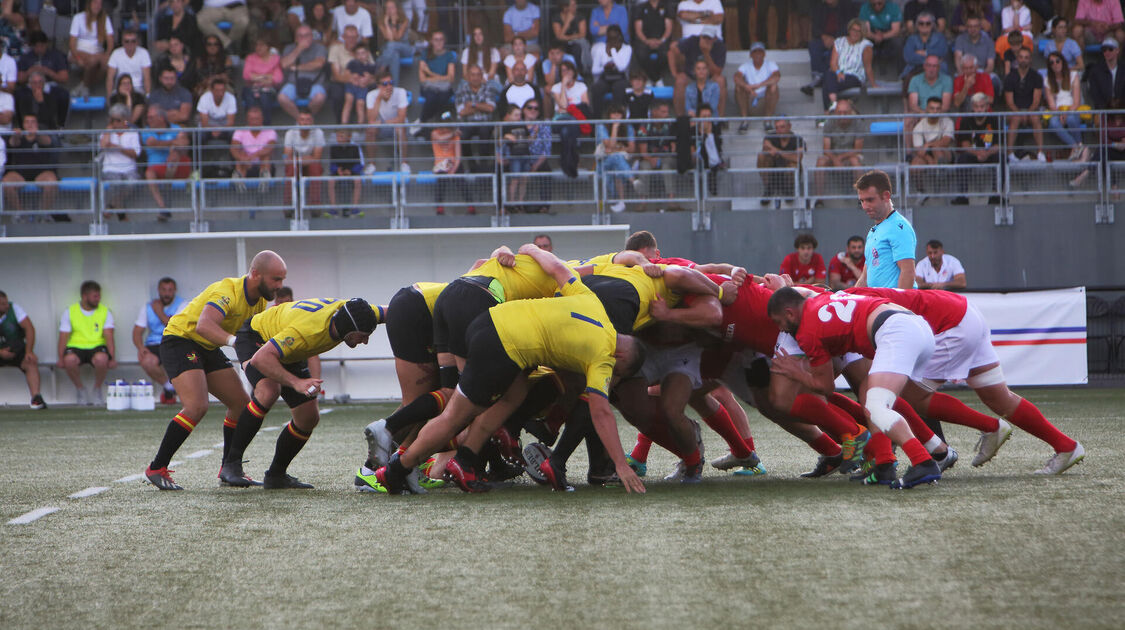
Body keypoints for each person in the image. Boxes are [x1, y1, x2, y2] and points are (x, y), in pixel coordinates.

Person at [374, 246, 647, 495]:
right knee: (457, 415)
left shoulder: (593, 303)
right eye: (618, 371)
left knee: (511, 396)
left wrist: (530, 248)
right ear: (621, 356)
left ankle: (465, 461)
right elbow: (600, 411)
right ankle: (397, 469)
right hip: (503, 344)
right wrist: (621, 465)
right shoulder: (604, 357)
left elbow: (557, 268)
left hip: (487, 320)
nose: (614, 374)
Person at [766, 287, 942, 489]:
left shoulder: (807, 330)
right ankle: (885, 464)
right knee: (873, 399)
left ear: (789, 313)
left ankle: (923, 461)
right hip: (914, 324)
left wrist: (796, 373)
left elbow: (826, 387)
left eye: (779, 322)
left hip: (895, 331)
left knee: (877, 406)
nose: (781, 329)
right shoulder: (822, 300)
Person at [143, 251, 287, 490]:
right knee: (197, 406)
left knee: (242, 406)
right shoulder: (227, 291)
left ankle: (229, 469)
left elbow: (253, 337)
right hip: (180, 340)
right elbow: (204, 325)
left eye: (282, 279)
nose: (280, 286)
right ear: (255, 274)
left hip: (207, 346)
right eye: (276, 279)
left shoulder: (261, 300)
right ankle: (157, 467)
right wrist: (234, 343)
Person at [221, 297, 381, 489]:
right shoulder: (308, 331)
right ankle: (231, 465)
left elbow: (391, 310)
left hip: (287, 349)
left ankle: (276, 475)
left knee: (308, 417)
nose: (365, 341)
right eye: (362, 335)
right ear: (349, 328)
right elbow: (261, 359)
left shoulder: (355, 312)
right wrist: (297, 383)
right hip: (257, 338)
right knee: (268, 391)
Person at [854, 169, 916, 291]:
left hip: (893, 307)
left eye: (870, 200)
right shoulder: (873, 231)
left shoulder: (899, 227)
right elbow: (865, 277)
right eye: (862, 201)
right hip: (881, 305)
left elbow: (908, 272)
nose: (865, 206)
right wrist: (849, 299)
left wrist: (898, 308)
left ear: (886, 196)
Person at [58, 280, 116, 406]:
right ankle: (80, 390)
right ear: (84, 296)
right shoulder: (70, 311)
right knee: (69, 360)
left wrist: (112, 357)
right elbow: (63, 336)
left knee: (102, 359)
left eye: (99, 296)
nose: (98, 299)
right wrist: (60, 358)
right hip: (76, 346)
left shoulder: (105, 311)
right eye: (95, 296)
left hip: (97, 345)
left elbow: (109, 336)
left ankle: (97, 389)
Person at [133, 277, 187, 405]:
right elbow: (136, 332)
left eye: (170, 290)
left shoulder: (183, 305)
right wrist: (141, 347)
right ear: (158, 290)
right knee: (146, 360)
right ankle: (169, 387)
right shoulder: (147, 307)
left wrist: (159, 311)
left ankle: (183, 392)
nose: (167, 293)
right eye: (163, 290)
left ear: (175, 291)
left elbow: (171, 324)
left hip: (175, 342)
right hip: (154, 344)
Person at [3, 114, 59, 219]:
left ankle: (43, 214)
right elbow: (13, 143)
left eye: (32, 122)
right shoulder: (18, 137)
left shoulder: (42, 136)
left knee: (52, 181)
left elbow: (47, 142)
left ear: (37, 124)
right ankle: (20, 213)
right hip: (20, 174)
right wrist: (16, 136)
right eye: (27, 122)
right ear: (23, 124)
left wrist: (36, 134)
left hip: (41, 173)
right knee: (6, 183)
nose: (30, 124)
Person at [952, 92, 1001, 205]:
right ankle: (963, 196)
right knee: (962, 159)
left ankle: (996, 194)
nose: (979, 109)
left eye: (982, 106)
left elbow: (998, 145)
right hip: (973, 154)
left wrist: (986, 154)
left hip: (990, 153)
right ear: (972, 107)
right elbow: (965, 145)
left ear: (987, 107)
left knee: (1002, 159)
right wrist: (978, 153)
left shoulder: (994, 120)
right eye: (977, 107)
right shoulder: (966, 120)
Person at [0, 290, 45, 409]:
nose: (6, 306)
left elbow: (29, 329)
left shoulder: (15, 308)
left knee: (30, 361)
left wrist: (29, 351)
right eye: (2, 304)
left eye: (6, 303)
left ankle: (36, 398)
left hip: (16, 348)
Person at [814, 98, 864, 203]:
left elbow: (858, 149)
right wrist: (835, 159)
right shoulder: (829, 123)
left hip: (851, 155)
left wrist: (840, 158)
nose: (842, 116)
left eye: (845, 113)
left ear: (850, 113)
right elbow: (826, 149)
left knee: (855, 161)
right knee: (821, 161)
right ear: (835, 112)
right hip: (833, 155)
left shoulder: (858, 123)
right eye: (839, 112)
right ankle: (819, 199)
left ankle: (861, 197)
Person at [142, 106, 190, 214]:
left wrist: (173, 148)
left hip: (176, 167)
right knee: (149, 173)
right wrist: (173, 142)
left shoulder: (176, 128)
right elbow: (152, 143)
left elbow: (184, 144)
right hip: (156, 168)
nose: (148, 120)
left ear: (161, 118)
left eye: (151, 118)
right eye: (148, 118)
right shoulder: (146, 131)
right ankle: (162, 207)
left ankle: (167, 186)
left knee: (176, 154)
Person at [802, 0, 855, 96]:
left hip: (841, 39)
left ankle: (825, 80)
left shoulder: (847, 6)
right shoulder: (819, 7)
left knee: (834, 51)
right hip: (824, 38)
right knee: (813, 45)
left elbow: (849, 27)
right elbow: (815, 27)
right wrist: (824, 36)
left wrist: (835, 39)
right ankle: (817, 77)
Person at [1003, 46, 1046, 162]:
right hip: (1014, 111)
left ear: (1030, 59)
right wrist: (1020, 113)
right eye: (1021, 57)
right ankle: (1010, 153)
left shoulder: (1036, 76)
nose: (1023, 60)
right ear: (1017, 59)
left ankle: (1040, 152)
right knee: (1016, 118)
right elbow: (1009, 102)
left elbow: (1036, 100)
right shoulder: (1010, 77)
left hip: (1031, 110)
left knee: (1036, 118)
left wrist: (1027, 113)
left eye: (1026, 58)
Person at [823, 18, 876, 111]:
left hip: (854, 77)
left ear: (862, 33)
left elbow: (868, 68)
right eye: (853, 30)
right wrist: (839, 73)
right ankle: (834, 104)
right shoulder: (839, 42)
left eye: (858, 31)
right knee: (829, 75)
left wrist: (873, 84)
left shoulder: (866, 45)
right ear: (849, 30)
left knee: (827, 81)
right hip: (838, 74)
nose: (855, 33)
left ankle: (829, 112)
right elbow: (833, 63)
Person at [1044, 51, 1088, 160]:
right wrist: (1060, 113)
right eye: (1052, 63)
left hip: (1072, 108)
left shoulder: (1073, 75)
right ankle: (1077, 146)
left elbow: (1076, 101)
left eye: (1057, 61)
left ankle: (1077, 148)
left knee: (1071, 119)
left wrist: (1066, 113)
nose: (1055, 64)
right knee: (1053, 123)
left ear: (1063, 62)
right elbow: (1051, 104)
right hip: (1057, 111)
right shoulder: (1047, 80)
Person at [363, 69, 409, 173]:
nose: (389, 86)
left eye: (391, 83)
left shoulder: (401, 92)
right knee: (370, 131)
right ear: (378, 85)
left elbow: (401, 119)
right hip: (382, 127)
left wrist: (382, 123)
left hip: (395, 125)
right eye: (385, 84)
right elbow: (371, 120)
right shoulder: (371, 95)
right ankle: (371, 164)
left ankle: (404, 163)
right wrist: (379, 99)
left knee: (399, 129)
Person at [100, 104, 141, 218]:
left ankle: (111, 205)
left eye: (117, 120)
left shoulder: (133, 133)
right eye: (112, 120)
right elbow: (103, 146)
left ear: (125, 120)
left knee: (132, 183)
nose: (114, 123)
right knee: (116, 184)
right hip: (111, 168)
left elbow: (135, 154)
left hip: (129, 168)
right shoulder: (106, 132)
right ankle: (122, 215)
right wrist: (108, 131)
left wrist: (119, 148)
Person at [278, 25, 328, 121]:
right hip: (293, 83)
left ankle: (307, 119)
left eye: (307, 35)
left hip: (315, 83)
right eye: (300, 36)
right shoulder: (289, 48)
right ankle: (301, 120)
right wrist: (298, 49)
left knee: (320, 98)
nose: (304, 38)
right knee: (282, 98)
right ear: (296, 38)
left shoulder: (319, 48)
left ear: (312, 37)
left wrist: (296, 68)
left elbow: (318, 64)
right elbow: (284, 64)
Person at [455, 64, 498, 173]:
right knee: (462, 135)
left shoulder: (488, 89)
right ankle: (472, 164)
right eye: (473, 75)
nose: (475, 77)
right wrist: (481, 106)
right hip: (467, 123)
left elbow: (491, 108)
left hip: (485, 123)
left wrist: (473, 105)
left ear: (482, 76)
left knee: (485, 132)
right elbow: (462, 111)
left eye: (478, 75)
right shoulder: (461, 90)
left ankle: (483, 164)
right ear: (468, 77)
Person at [670, 0, 724, 79]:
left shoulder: (715, 1)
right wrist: (707, 14)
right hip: (688, 41)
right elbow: (683, 15)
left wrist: (693, 19)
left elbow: (718, 18)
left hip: (711, 39)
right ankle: (679, 76)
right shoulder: (683, 4)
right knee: (673, 46)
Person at [596, 103, 635, 213]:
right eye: (614, 114)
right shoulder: (602, 127)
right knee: (617, 159)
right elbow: (610, 146)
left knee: (618, 165)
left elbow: (632, 149)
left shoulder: (628, 127)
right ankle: (633, 180)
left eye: (619, 114)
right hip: (604, 163)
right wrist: (615, 127)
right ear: (609, 115)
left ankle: (621, 202)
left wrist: (616, 150)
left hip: (620, 163)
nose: (616, 117)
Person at [757, 117, 804, 205]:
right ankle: (768, 189)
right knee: (761, 156)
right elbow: (765, 148)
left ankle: (789, 190)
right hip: (774, 172)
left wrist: (777, 151)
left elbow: (797, 158)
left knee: (793, 164)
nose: (779, 130)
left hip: (789, 175)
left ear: (789, 126)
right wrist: (788, 155)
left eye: (782, 127)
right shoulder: (770, 136)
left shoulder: (798, 139)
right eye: (777, 127)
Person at [734, 42, 780, 133]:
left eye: (760, 52)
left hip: (765, 100)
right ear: (750, 55)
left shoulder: (770, 64)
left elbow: (777, 76)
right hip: (749, 99)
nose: (758, 54)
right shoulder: (745, 65)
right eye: (755, 52)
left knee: (774, 87)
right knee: (738, 87)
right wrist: (747, 86)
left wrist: (758, 85)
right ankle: (744, 121)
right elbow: (736, 77)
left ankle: (767, 121)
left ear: (764, 54)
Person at [230, 105, 277, 194]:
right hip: (246, 165)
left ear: (262, 119)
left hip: (262, 164)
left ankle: (264, 181)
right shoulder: (240, 131)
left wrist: (253, 156)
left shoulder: (270, 131)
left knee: (266, 156)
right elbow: (234, 148)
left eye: (257, 119)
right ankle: (239, 181)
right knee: (241, 153)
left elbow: (270, 148)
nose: (255, 122)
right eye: (252, 119)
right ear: (248, 119)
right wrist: (243, 159)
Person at [283, 110, 325, 206]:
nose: (305, 122)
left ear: (312, 121)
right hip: (296, 165)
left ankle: (315, 206)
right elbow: (286, 158)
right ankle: (288, 206)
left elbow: (317, 158)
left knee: (315, 168)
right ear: (298, 121)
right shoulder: (290, 133)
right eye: (302, 120)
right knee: (290, 169)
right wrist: (306, 159)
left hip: (309, 164)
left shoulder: (318, 133)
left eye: (308, 120)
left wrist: (298, 159)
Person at [591, 25, 631, 116]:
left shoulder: (627, 48)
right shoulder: (600, 49)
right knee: (596, 88)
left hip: (620, 78)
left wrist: (613, 51)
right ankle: (597, 120)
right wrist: (604, 67)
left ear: (620, 36)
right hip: (605, 77)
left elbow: (622, 67)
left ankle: (617, 118)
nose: (612, 40)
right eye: (610, 37)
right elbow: (594, 70)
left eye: (615, 37)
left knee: (618, 88)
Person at [241, 36, 282, 125]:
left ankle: (266, 128)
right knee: (251, 99)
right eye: (256, 45)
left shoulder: (275, 59)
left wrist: (256, 77)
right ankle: (252, 127)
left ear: (268, 46)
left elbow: (278, 78)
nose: (258, 47)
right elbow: (246, 75)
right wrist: (267, 77)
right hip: (251, 88)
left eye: (261, 45)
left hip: (269, 89)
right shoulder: (250, 58)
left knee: (264, 97)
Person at [418, 31, 456, 124]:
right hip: (429, 87)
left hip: (444, 88)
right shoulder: (425, 54)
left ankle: (435, 123)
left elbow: (451, 78)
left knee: (443, 98)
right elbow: (422, 79)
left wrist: (429, 73)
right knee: (431, 98)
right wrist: (442, 77)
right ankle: (426, 122)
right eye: (436, 40)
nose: (438, 42)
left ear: (444, 41)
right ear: (431, 41)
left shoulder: (449, 55)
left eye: (441, 39)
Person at [632, 0, 673, 84]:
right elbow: (638, 29)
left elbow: (669, 28)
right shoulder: (640, 7)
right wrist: (647, 41)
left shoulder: (666, 6)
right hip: (644, 40)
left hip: (662, 41)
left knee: (665, 54)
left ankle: (654, 78)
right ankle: (656, 79)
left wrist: (661, 40)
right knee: (641, 54)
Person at [858, 0, 903, 75]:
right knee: (862, 42)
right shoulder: (865, 8)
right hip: (872, 34)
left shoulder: (893, 7)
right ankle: (864, 74)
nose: (877, 6)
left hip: (889, 34)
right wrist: (875, 36)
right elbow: (866, 31)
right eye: (874, 4)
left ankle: (898, 74)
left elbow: (896, 30)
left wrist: (882, 36)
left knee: (898, 43)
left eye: (879, 3)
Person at [327, 129, 364, 216]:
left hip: (352, 171)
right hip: (338, 172)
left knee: (358, 181)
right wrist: (337, 170)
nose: (339, 139)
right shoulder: (333, 148)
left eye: (341, 137)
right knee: (330, 181)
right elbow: (332, 163)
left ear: (349, 137)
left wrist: (351, 171)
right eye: (338, 136)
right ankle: (333, 208)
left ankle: (355, 208)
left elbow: (360, 163)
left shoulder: (355, 148)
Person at [106, 28, 151, 98]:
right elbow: (110, 78)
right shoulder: (116, 53)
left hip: (137, 89)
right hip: (120, 88)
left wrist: (148, 95)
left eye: (133, 41)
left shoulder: (144, 53)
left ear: (137, 42)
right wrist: (109, 96)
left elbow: (147, 77)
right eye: (127, 41)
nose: (130, 44)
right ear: (122, 42)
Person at [901, 11, 949, 78]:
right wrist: (931, 59)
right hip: (914, 68)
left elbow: (941, 52)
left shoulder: (940, 37)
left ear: (932, 25)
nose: (924, 25)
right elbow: (908, 57)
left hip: (937, 69)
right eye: (921, 23)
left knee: (942, 66)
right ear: (917, 25)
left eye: (928, 23)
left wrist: (926, 52)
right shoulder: (911, 39)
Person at [377, 0, 413, 86]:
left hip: (405, 47)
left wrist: (393, 23)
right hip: (389, 49)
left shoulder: (405, 20)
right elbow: (388, 38)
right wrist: (386, 23)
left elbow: (397, 38)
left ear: (397, 9)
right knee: (394, 55)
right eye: (387, 8)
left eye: (392, 7)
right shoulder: (381, 21)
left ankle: (381, 68)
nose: (390, 10)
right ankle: (394, 87)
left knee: (392, 46)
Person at [341, 43, 377, 125]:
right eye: (358, 54)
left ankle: (360, 125)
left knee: (360, 104)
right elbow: (346, 74)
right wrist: (353, 79)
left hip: (362, 88)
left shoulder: (371, 66)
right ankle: (344, 124)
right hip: (351, 86)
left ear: (367, 54)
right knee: (348, 102)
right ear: (355, 55)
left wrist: (367, 79)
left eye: (363, 53)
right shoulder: (352, 63)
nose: (361, 56)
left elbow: (374, 78)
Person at [1085, 37, 1125, 111]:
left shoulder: (1123, 69)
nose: (1107, 52)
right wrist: (1106, 108)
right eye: (1104, 50)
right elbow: (1095, 93)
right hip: (1103, 110)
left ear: (1117, 50)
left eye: (1110, 49)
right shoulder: (1095, 71)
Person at [552, 0, 591, 73]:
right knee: (559, 48)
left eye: (575, 5)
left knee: (576, 48)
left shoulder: (580, 16)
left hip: (576, 42)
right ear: (565, 7)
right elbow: (559, 37)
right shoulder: (556, 17)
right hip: (561, 43)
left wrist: (567, 38)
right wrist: (567, 23)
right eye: (572, 5)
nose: (575, 7)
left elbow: (582, 34)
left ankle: (579, 73)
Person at [953, 16, 996, 80]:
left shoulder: (988, 41)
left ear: (980, 27)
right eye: (970, 26)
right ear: (966, 27)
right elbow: (958, 59)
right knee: (956, 78)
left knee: (994, 80)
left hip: (982, 71)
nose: (973, 29)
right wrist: (962, 74)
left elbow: (990, 65)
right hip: (965, 71)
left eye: (975, 26)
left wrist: (981, 77)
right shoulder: (960, 39)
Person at [462, 26, 502, 90]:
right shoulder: (466, 52)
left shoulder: (494, 51)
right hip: (471, 80)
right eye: (475, 34)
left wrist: (482, 81)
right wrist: (474, 81)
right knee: (463, 84)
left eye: (480, 34)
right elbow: (465, 74)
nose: (478, 37)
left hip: (488, 80)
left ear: (485, 36)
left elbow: (491, 74)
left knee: (496, 86)